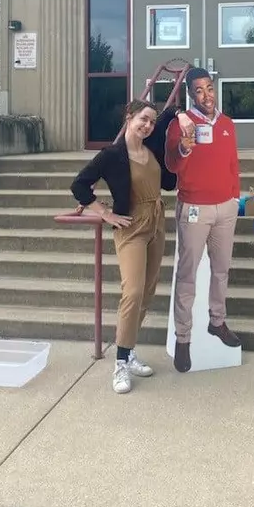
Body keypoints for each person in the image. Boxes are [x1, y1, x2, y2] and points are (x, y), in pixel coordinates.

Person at [71, 99, 193, 394]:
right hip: (131, 227)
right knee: (133, 292)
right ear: (129, 117)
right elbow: (79, 185)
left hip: (156, 223)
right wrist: (105, 213)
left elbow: (170, 113)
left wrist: (181, 117)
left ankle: (129, 349)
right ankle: (121, 363)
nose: (148, 125)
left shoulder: (151, 148)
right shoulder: (112, 155)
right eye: (143, 119)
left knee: (147, 293)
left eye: (151, 121)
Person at [165, 67, 242, 373]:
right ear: (190, 94)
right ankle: (183, 338)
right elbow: (171, 164)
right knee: (187, 275)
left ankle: (217, 322)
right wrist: (183, 148)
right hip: (194, 208)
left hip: (225, 208)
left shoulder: (227, 124)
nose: (207, 95)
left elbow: (233, 164)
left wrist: (235, 197)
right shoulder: (181, 124)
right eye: (199, 90)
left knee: (221, 270)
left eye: (209, 88)